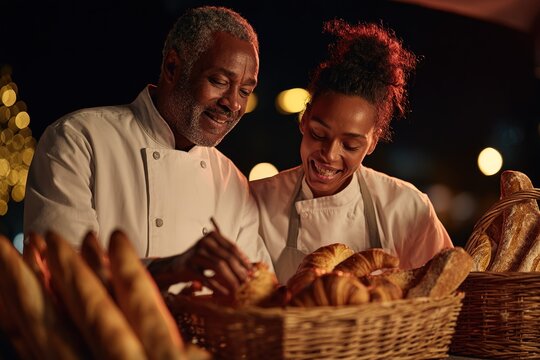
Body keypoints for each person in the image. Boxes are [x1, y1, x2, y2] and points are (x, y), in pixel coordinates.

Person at [23, 6, 271, 297]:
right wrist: (167, 269)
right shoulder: (78, 140)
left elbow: (258, 295)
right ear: (172, 68)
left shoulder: (234, 184)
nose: (232, 103)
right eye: (219, 81)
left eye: (244, 90)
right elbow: (60, 273)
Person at [250, 19, 453, 284]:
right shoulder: (258, 202)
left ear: (372, 142)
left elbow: (445, 294)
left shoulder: (407, 209)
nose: (329, 154)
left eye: (350, 145)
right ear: (304, 118)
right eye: (318, 134)